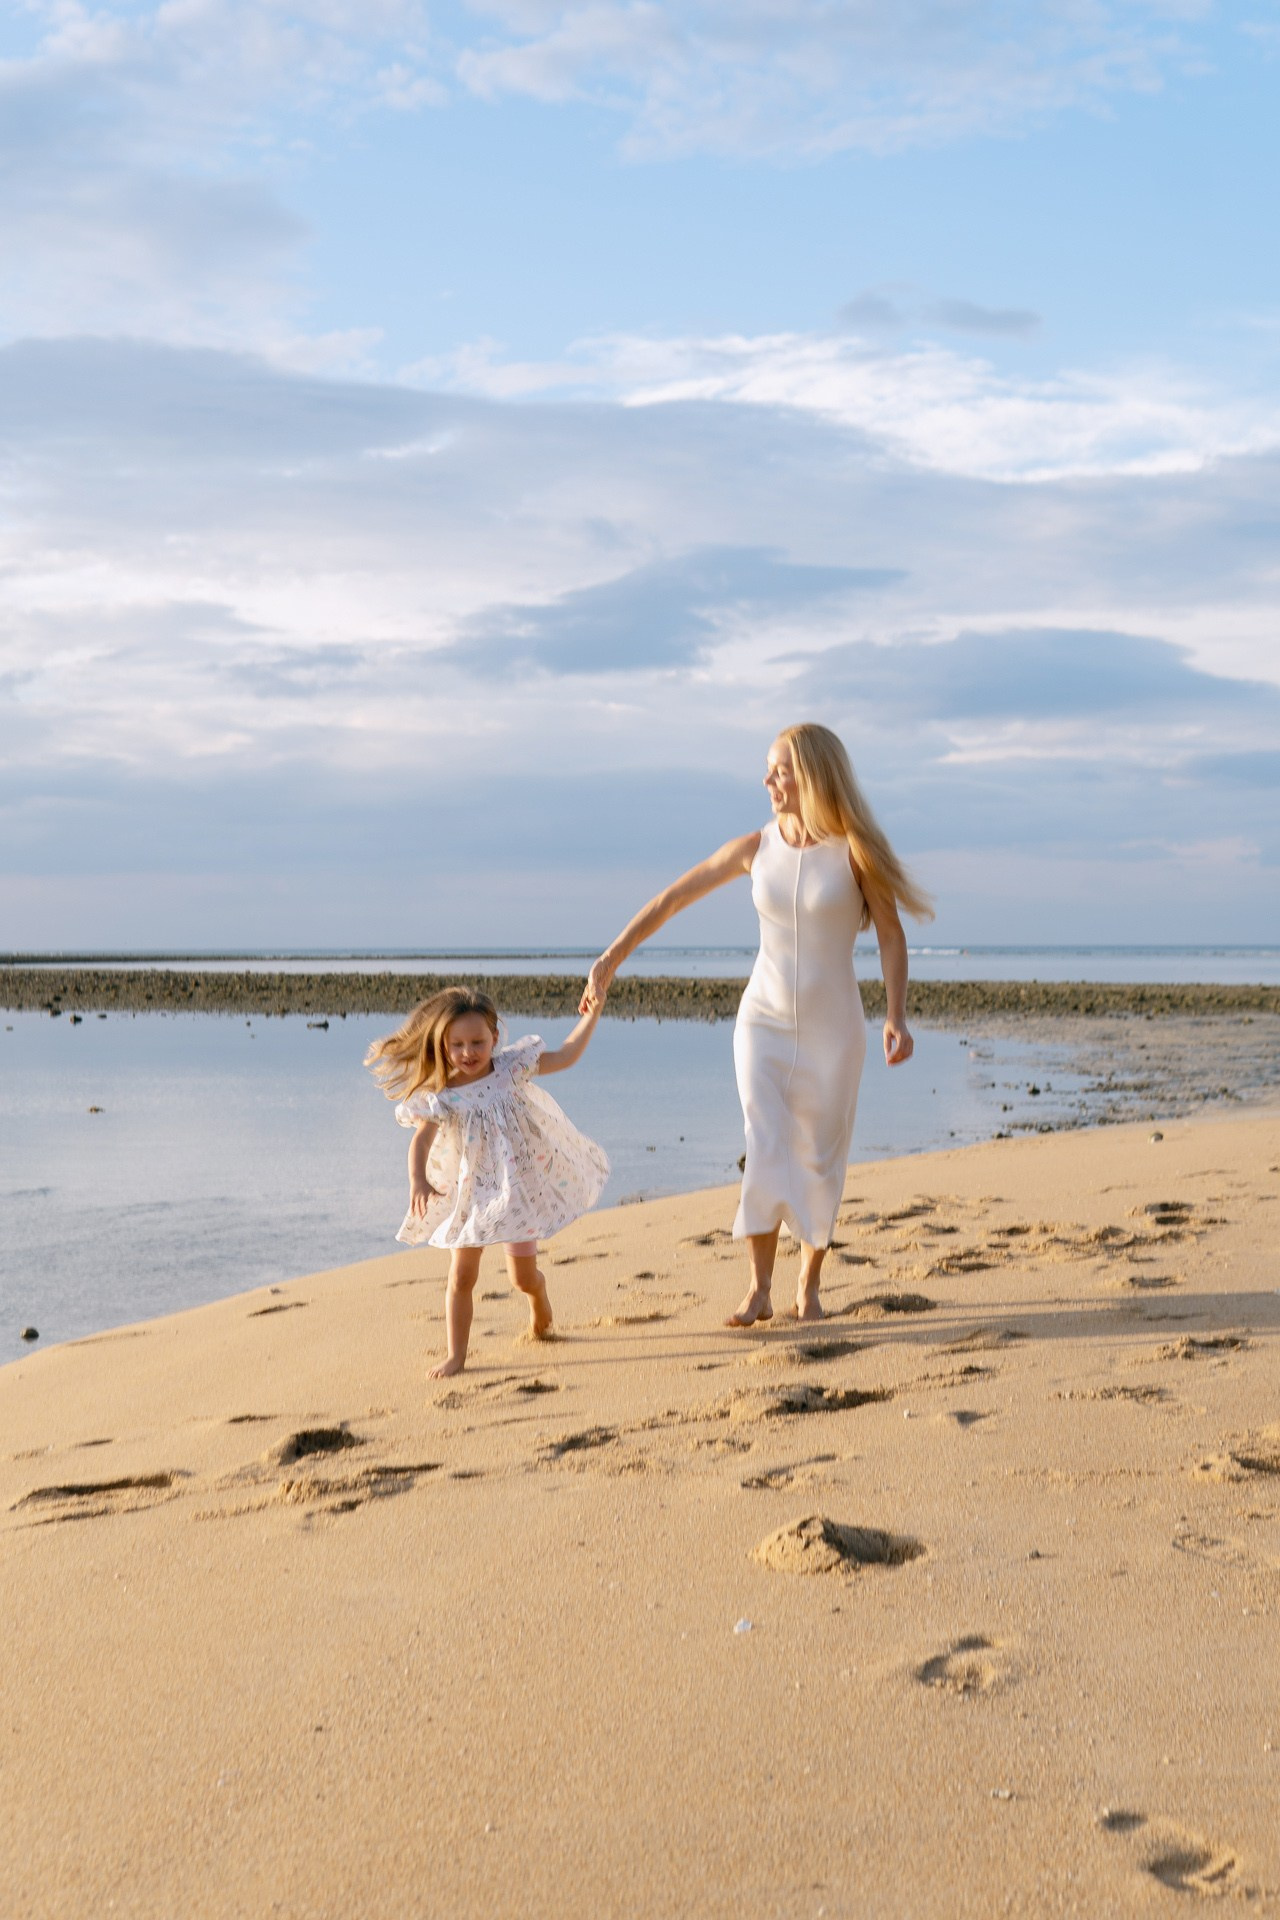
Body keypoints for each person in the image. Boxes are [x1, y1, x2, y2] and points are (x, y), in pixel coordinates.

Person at [583, 722, 930, 1327]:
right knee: (765, 1142)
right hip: (761, 1021)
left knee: (821, 1155)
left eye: (780, 769)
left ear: (813, 776)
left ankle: (809, 1287)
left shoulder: (854, 852)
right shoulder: (754, 847)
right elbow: (672, 898)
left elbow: (893, 937)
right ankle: (759, 1287)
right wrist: (611, 958)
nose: (767, 780)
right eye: (769, 769)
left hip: (835, 1029)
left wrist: (896, 1013)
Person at [366, 986, 609, 1378]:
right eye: (457, 1044)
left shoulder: (512, 1069)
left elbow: (566, 1055)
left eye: (477, 1042)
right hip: (471, 1196)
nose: (468, 1052)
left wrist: (592, 1013)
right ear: (443, 1046)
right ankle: (456, 1355)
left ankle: (539, 1300)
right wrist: (418, 1181)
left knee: (523, 1278)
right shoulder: (441, 1095)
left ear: (495, 1037)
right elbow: (421, 1141)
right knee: (461, 1276)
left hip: (517, 1191)